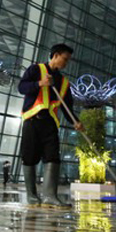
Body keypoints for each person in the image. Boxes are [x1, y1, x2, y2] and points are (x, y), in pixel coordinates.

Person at [18, 44, 83, 207]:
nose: (66, 63)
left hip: (50, 123)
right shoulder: (35, 70)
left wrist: (75, 121)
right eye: (65, 59)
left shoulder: (64, 83)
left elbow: (67, 107)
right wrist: (39, 83)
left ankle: (50, 196)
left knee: (53, 157)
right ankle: (32, 195)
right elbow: (21, 87)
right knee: (29, 157)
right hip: (32, 120)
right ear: (55, 55)